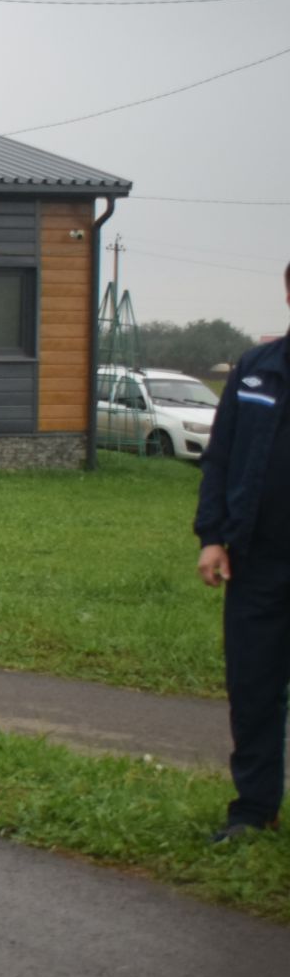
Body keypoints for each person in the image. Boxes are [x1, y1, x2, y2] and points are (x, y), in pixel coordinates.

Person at [195, 263, 290, 844]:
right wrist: (212, 536)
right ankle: (254, 812)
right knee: (253, 688)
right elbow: (220, 456)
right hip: (257, 560)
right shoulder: (258, 370)